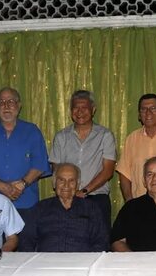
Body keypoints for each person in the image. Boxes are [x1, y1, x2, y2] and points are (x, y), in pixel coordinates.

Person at [0, 87, 50, 225]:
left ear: (19, 106)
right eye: (1, 102)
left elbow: (40, 164)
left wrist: (21, 184)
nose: (6, 106)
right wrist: (0, 185)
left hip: (26, 204)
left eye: (11, 101)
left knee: (26, 244)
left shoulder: (32, 131)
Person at [49, 90, 116, 228]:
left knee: (99, 243)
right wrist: (68, 192)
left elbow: (108, 171)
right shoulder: (61, 137)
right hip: (66, 198)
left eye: (84, 108)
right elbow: (56, 170)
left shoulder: (105, 135)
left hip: (96, 198)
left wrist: (84, 191)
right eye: (75, 108)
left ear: (93, 110)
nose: (79, 112)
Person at [19, 163, 108, 252]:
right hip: (47, 263)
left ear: (78, 184)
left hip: (81, 263)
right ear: (54, 183)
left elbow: (101, 242)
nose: (66, 185)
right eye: (61, 180)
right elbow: (26, 241)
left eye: (71, 181)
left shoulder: (91, 209)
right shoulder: (40, 209)